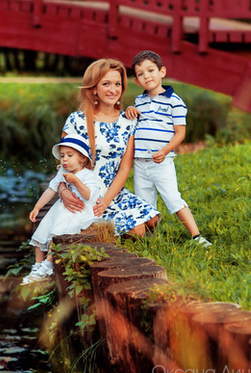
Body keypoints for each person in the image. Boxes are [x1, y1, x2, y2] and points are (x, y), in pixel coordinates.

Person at [59, 59, 160, 237]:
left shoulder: (128, 121)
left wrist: (106, 201)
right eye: (106, 84)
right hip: (85, 194)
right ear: (94, 88)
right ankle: (88, 228)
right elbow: (63, 162)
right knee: (138, 230)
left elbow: (124, 168)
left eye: (117, 84)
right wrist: (63, 191)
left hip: (112, 193)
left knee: (152, 219)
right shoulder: (76, 120)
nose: (113, 90)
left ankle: (101, 227)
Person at [126, 50, 212, 247]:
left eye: (151, 70)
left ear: (162, 72)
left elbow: (180, 133)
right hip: (140, 162)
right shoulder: (139, 101)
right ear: (136, 81)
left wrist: (165, 151)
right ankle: (151, 240)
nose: (147, 76)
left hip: (161, 161)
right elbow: (134, 123)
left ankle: (197, 237)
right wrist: (129, 110)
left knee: (173, 198)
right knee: (145, 203)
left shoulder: (175, 102)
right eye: (141, 74)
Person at [22, 133, 103, 284]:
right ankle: (37, 265)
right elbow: (51, 189)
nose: (64, 159)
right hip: (60, 209)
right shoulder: (62, 172)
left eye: (69, 155)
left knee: (56, 234)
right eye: (62, 155)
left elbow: (88, 196)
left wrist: (76, 181)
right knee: (41, 232)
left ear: (82, 158)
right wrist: (37, 207)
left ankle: (48, 264)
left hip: (77, 211)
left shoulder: (89, 176)